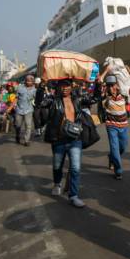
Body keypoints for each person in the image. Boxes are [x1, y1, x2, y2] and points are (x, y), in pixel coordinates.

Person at [42, 79, 86, 208]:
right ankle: (57, 183)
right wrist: (44, 88)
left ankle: (73, 196)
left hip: (75, 139)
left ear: (71, 87)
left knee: (75, 168)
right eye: (62, 86)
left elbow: (94, 98)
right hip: (59, 139)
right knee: (57, 166)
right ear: (58, 87)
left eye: (67, 85)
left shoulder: (77, 99)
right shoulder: (53, 101)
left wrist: (99, 84)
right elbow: (41, 104)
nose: (65, 88)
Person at [100, 74, 129, 180]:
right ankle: (118, 170)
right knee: (114, 148)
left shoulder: (124, 94)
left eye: (113, 85)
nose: (111, 88)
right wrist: (106, 71)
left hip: (123, 126)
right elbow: (99, 83)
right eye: (109, 86)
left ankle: (112, 157)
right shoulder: (105, 97)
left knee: (123, 147)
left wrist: (128, 71)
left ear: (117, 85)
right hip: (111, 126)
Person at [14, 75, 37, 146]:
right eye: (27, 80)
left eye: (30, 81)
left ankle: (27, 140)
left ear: (33, 82)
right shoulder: (20, 88)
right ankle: (17, 136)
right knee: (18, 125)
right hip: (19, 109)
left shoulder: (35, 90)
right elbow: (16, 98)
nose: (28, 82)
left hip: (29, 110)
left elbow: (37, 99)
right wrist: (11, 107)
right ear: (25, 81)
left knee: (28, 125)